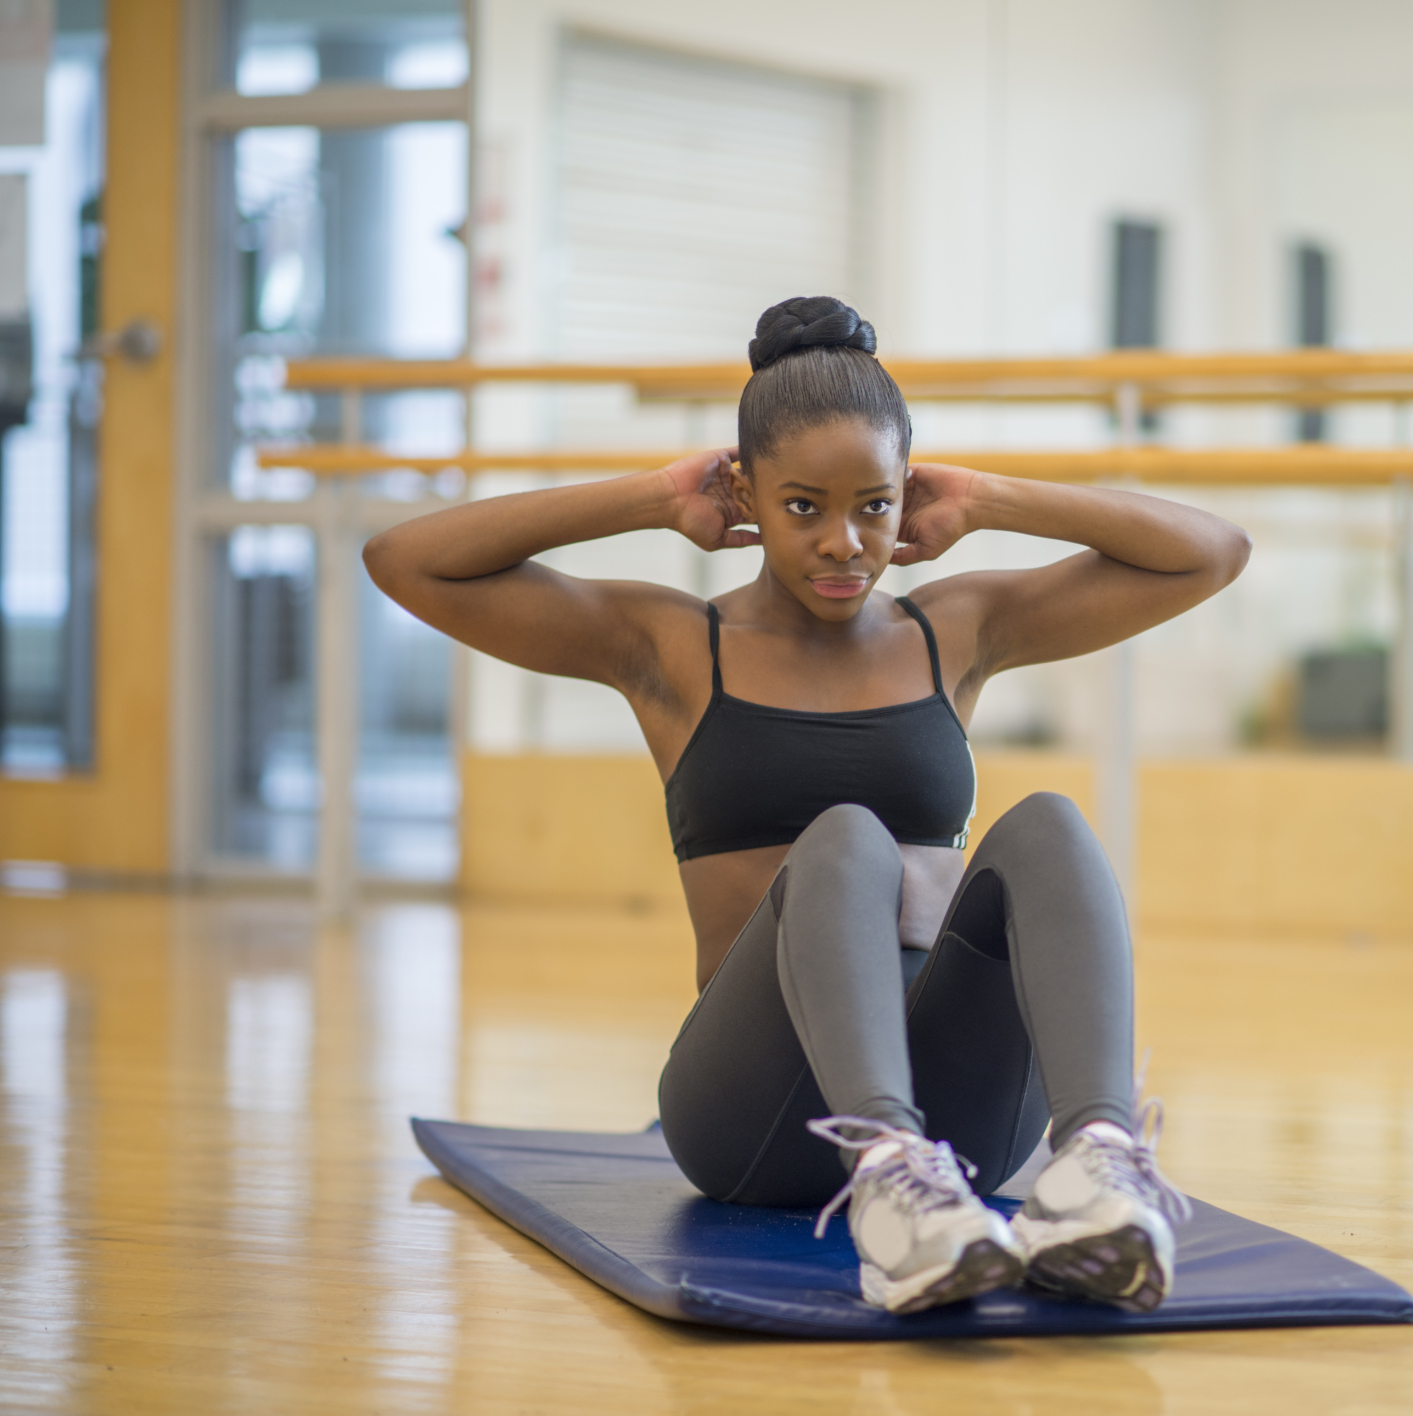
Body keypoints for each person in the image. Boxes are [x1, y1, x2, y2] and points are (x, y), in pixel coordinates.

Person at [364, 296, 1250, 1315]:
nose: (843, 543)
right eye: (802, 508)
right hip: (758, 1120)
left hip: (961, 1133)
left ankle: (1095, 1165)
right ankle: (884, 1174)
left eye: (873, 506)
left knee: (1046, 822)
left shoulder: (951, 629)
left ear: (905, 495)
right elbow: (405, 560)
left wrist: (991, 497)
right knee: (845, 838)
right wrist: (652, 496)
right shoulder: (669, 648)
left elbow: (1210, 551)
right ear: (744, 493)